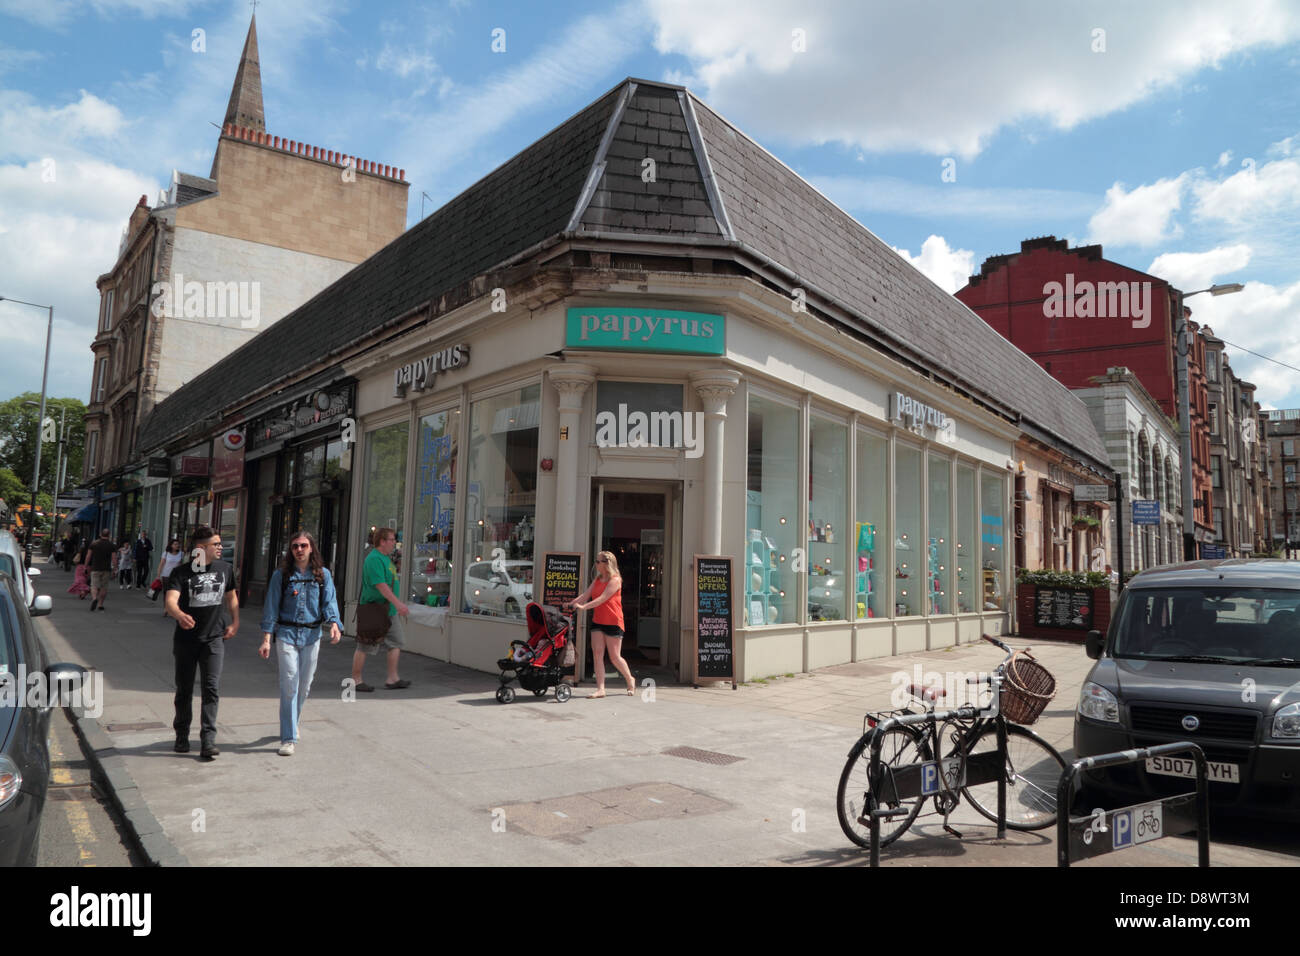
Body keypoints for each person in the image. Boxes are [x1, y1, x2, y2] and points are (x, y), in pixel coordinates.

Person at [259, 530, 341, 756]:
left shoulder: (322, 574)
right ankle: (288, 737)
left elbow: (330, 601)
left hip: (312, 636)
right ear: (291, 550)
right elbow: (271, 607)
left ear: (311, 548)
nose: (299, 550)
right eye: (295, 546)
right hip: (286, 634)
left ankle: (293, 720)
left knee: (304, 686)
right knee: (289, 685)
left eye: (303, 545)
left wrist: (334, 624)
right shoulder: (281, 575)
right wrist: (267, 638)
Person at [164, 526, 238, 760]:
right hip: (186, 640)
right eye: (215, 544)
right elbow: (170, 601)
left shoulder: (225, 568)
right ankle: (182, 735)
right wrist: (179, 615)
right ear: (200, 548)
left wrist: (235, 622)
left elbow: (232, 597)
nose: (220, 547)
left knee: (211, 689)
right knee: (184, 690)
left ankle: (208, 740)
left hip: (214, 639)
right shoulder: (181, 572)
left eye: (219, 543)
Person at [567, 550, 635, 699]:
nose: (596, 564)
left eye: (598, 562)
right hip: (598, 621)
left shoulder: (615, 580)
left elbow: (603, 599)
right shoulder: (598, 579)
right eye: (596, 561)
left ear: (607, 564)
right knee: (597, 654)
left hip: (613, 621)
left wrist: (584, 607)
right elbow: (586, 595)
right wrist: (571, 603)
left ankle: (630, 679)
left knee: (615, 657)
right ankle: (601, 689)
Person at [350, 527, 410, 692]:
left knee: (396, 642)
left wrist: (395, 605)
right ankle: (356, 680)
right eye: (392, 540)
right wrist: (398, 604)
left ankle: (392, 678)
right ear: (382, 541)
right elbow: (381, 585)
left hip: (388, 611)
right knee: (365, 644)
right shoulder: (374, 559)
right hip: (375, 610)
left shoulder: (385, 559)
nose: (394, 543)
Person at [84, 528, 116, 612]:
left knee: (94, 585)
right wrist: (115, 569)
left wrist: (85, 566)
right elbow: (114, 558)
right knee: (104, 587)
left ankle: (94, 598)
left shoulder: (94, 544)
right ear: (109, 535)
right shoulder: (111, 545)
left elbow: (88, 556)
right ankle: (100, 604)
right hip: (106, 569)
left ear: (100, 534)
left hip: (95, 568)